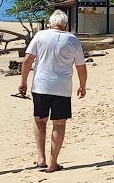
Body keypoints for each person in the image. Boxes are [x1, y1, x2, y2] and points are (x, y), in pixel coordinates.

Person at [17, 9, 87, 172]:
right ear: (66, 25)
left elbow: (28, 59)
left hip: (41, 85)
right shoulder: (73, 40)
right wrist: (82, 85)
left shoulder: (40, 35)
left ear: (50, 24)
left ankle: (41, 158)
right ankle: (52, 162)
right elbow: (81, 67)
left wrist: (23, 81)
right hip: (62, 87)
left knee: (40, 120)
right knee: (59, 123)